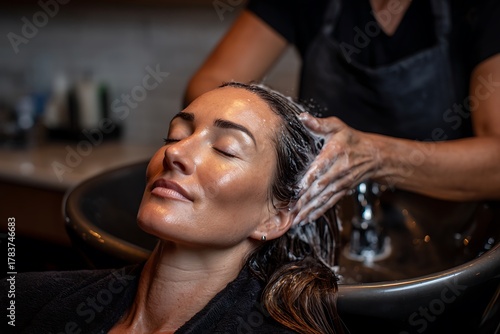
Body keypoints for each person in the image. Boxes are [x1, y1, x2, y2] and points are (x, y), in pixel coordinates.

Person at [2, 82, 345, 334]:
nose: (174, 153)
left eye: (226, 149)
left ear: (275, 217)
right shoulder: (25, 300)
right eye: (175, 136)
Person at [183, 0, 500, 226]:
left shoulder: (480, 8)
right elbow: (206, 88)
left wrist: (377, 157)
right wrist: (280, 139)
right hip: (324, 218)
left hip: (447, 230)